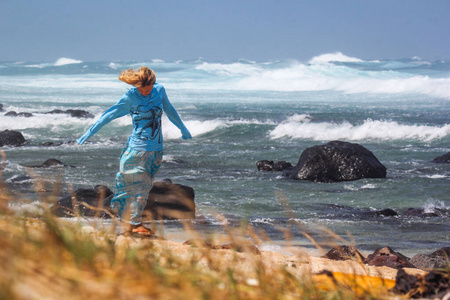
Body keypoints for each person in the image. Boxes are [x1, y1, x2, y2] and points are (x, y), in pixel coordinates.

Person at [77, 66, 192, 235]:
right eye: (141, 90)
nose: (144, 93)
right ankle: (135, 223)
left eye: (147, 89)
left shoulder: (159, 90)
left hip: (156, 151)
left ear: (153, 83)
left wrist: (182, 128)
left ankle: (129, 222)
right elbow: (110, 114)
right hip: (136, 150)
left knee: (142, 188)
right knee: (139, 187)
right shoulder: (130, 96)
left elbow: (169, 109)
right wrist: (89, 133)